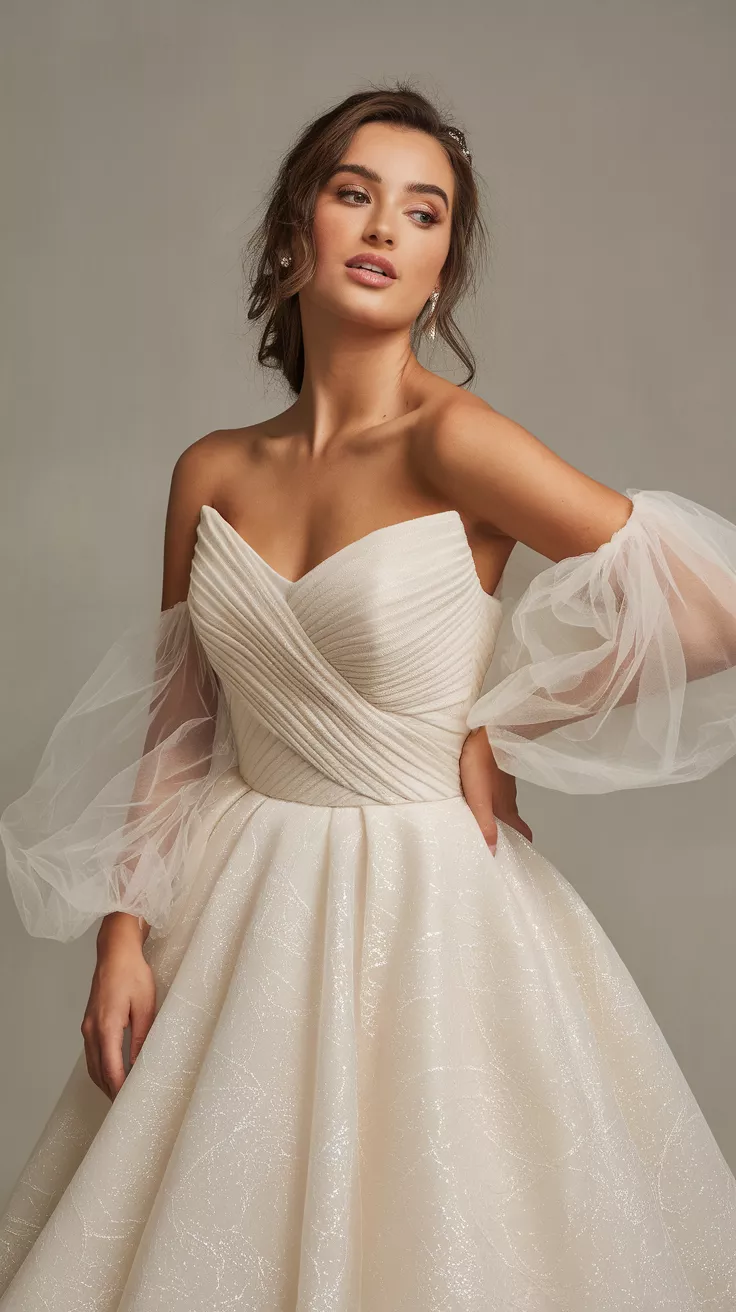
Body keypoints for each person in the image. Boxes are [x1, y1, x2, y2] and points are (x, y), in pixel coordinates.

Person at [1, 82, 735, 1311]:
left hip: (428, 909)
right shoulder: (212, 469)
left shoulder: (456, 445)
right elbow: (181, 722)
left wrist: (500, 721)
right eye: (355, 194)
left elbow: (710, 605)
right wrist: (121, 936)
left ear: (442, 269)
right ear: (297, 232)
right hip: (229, 900)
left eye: (425, 211)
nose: (387, 228)